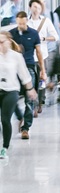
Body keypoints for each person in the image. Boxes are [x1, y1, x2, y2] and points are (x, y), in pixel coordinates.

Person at [9, 11, 45, 139]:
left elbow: (39, 53)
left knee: (29, 100)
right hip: (14, 70)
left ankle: (26, 128)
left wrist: (43, 71)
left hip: (29, 67)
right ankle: (20, 117)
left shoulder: (34, 34)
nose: (21, 26)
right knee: (11, 95)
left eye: (23, 23)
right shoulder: (11, 34)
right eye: (19, 24)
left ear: (27, 21)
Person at [0, 31, 32, 159]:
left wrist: (30, 89)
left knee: (5, 119)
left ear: (8, 41)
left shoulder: (16, 56)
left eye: (2, 42)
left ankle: (5, 147)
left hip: (11, 90)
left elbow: (24, 74)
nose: (0, 44)